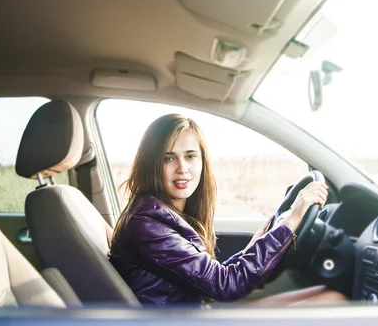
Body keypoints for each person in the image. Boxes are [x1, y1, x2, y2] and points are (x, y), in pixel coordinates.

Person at [108, 113, 347, 307]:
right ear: (151, 164)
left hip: (192, 311)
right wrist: (290, 222)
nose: (182, 168)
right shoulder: (147, 223)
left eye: (190, 156)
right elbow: (224, 284)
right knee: (333, 301)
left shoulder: (159, 214)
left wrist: (257, 245)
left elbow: (209, 277)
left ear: (202, 161)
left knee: (324, 294)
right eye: (168, 158)